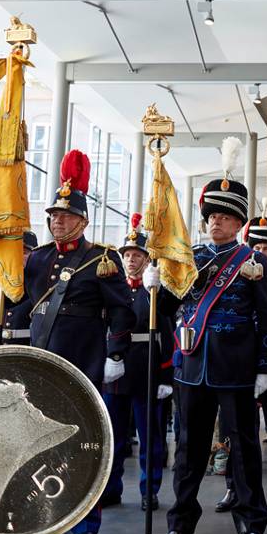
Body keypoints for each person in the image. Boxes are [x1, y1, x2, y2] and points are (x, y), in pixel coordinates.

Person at [149, 137, 267, 534]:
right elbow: (166, 309)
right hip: (192, 365)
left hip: (236, 368)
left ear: (238, 224)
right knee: (188, 448)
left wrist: (266, 367)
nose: (215, 223)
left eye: (224, 217)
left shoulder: (253, 262)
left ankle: (250, 521)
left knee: (243, 448)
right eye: (211, 216)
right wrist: (155, 285)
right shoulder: (188, 259)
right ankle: (181, 522)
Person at [24, 150, 134, 534]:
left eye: (66, 216)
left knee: (83, 444)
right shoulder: (38, 259)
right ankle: (43, 514)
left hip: (83, 361)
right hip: (41, 361)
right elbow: (25, 304)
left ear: (83, 221)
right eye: (54, 214)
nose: (58, 220)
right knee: (36, 442)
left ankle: (86, 524)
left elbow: (122, 311)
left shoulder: (101, 259)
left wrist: (115, 354)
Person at [215, 211, 267, 515]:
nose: (262, 252)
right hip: (239, 363)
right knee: (235, 429)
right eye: (257, 247)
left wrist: (266, 356)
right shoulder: (235, 277)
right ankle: (233, 488)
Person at [100, 213, 174, 512]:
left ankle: (149, 489)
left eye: (137, 255)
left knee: (150, 438)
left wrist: (166, 376)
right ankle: (111, 488)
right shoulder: (112, 288)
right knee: (114, 437)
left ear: (146, 259)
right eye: (127, 255)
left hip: (146, 370)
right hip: (115, 371)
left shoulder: (153, 290)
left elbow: (167, 335)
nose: (131, 260)